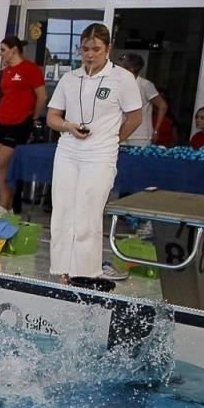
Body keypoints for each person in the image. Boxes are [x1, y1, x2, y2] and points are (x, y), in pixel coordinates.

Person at [45, 22, 143, 289]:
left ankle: (86, 273)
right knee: (63, 211)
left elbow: (135, 117)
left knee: (87, 213)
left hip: (100, 154)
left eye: (96, 49)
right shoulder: (70, 78)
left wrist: (112, 139)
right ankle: (62, 271)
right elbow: (52, 117)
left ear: (108, 48)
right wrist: (68, 126)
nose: (89, 54)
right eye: (85, 49)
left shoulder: (122, 78)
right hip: (68, 151)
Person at [0, 35, 47, 212]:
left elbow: (42, 96)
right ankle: (5, 206)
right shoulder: (7, 71)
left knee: (2, 163)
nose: (1, 54)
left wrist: (34, 117)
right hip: (3, 120)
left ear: (14, 50)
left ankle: (4, 205)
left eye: (3, 50)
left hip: (21, 121)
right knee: (4, 168)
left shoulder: (30, 69)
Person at [117, 53, 167, 146]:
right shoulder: (117, 84)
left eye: (121, 68)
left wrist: (156, 131)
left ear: (131, 69)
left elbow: (162, 106)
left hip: (140, 136)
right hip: (120, 133)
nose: (117, 70)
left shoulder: (145, 85)